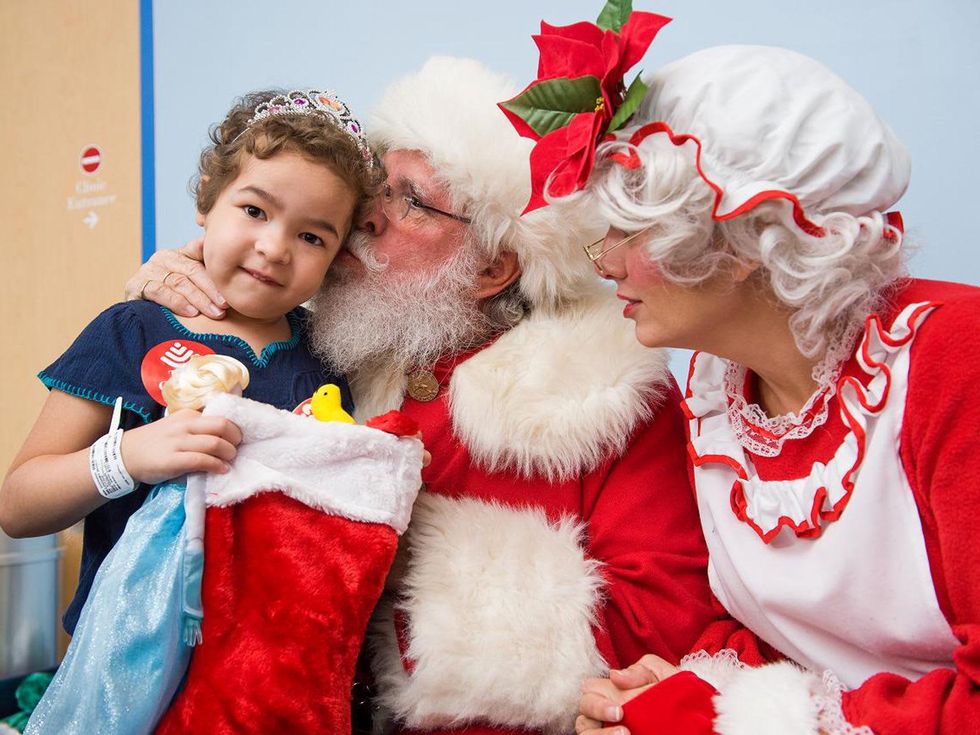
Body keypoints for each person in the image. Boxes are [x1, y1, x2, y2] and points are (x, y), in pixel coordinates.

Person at [129, 56, 718, 734]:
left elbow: (659, 627)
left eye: (411, 200)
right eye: (377, 184)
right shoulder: (322, 347)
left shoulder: (608, 394)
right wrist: (184, 288)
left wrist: (386, 558)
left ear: (493, 268)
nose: (368, 215)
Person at [563, 44, 980, 735]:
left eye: (630, 231)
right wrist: (694, 683)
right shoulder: (716, 389)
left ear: (745, 238)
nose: (604, 262)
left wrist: (728, 720)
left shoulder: (952, 359)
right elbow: (786, 641)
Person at [0, 87, 370, 637]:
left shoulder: (331, 358)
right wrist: (128, 456)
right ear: (206, 199)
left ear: (338, 259)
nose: (274, 247)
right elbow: (19, 505)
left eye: (312, 236)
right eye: (254, 210)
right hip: (127, 654)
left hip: (267, 654)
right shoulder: (132, 329)